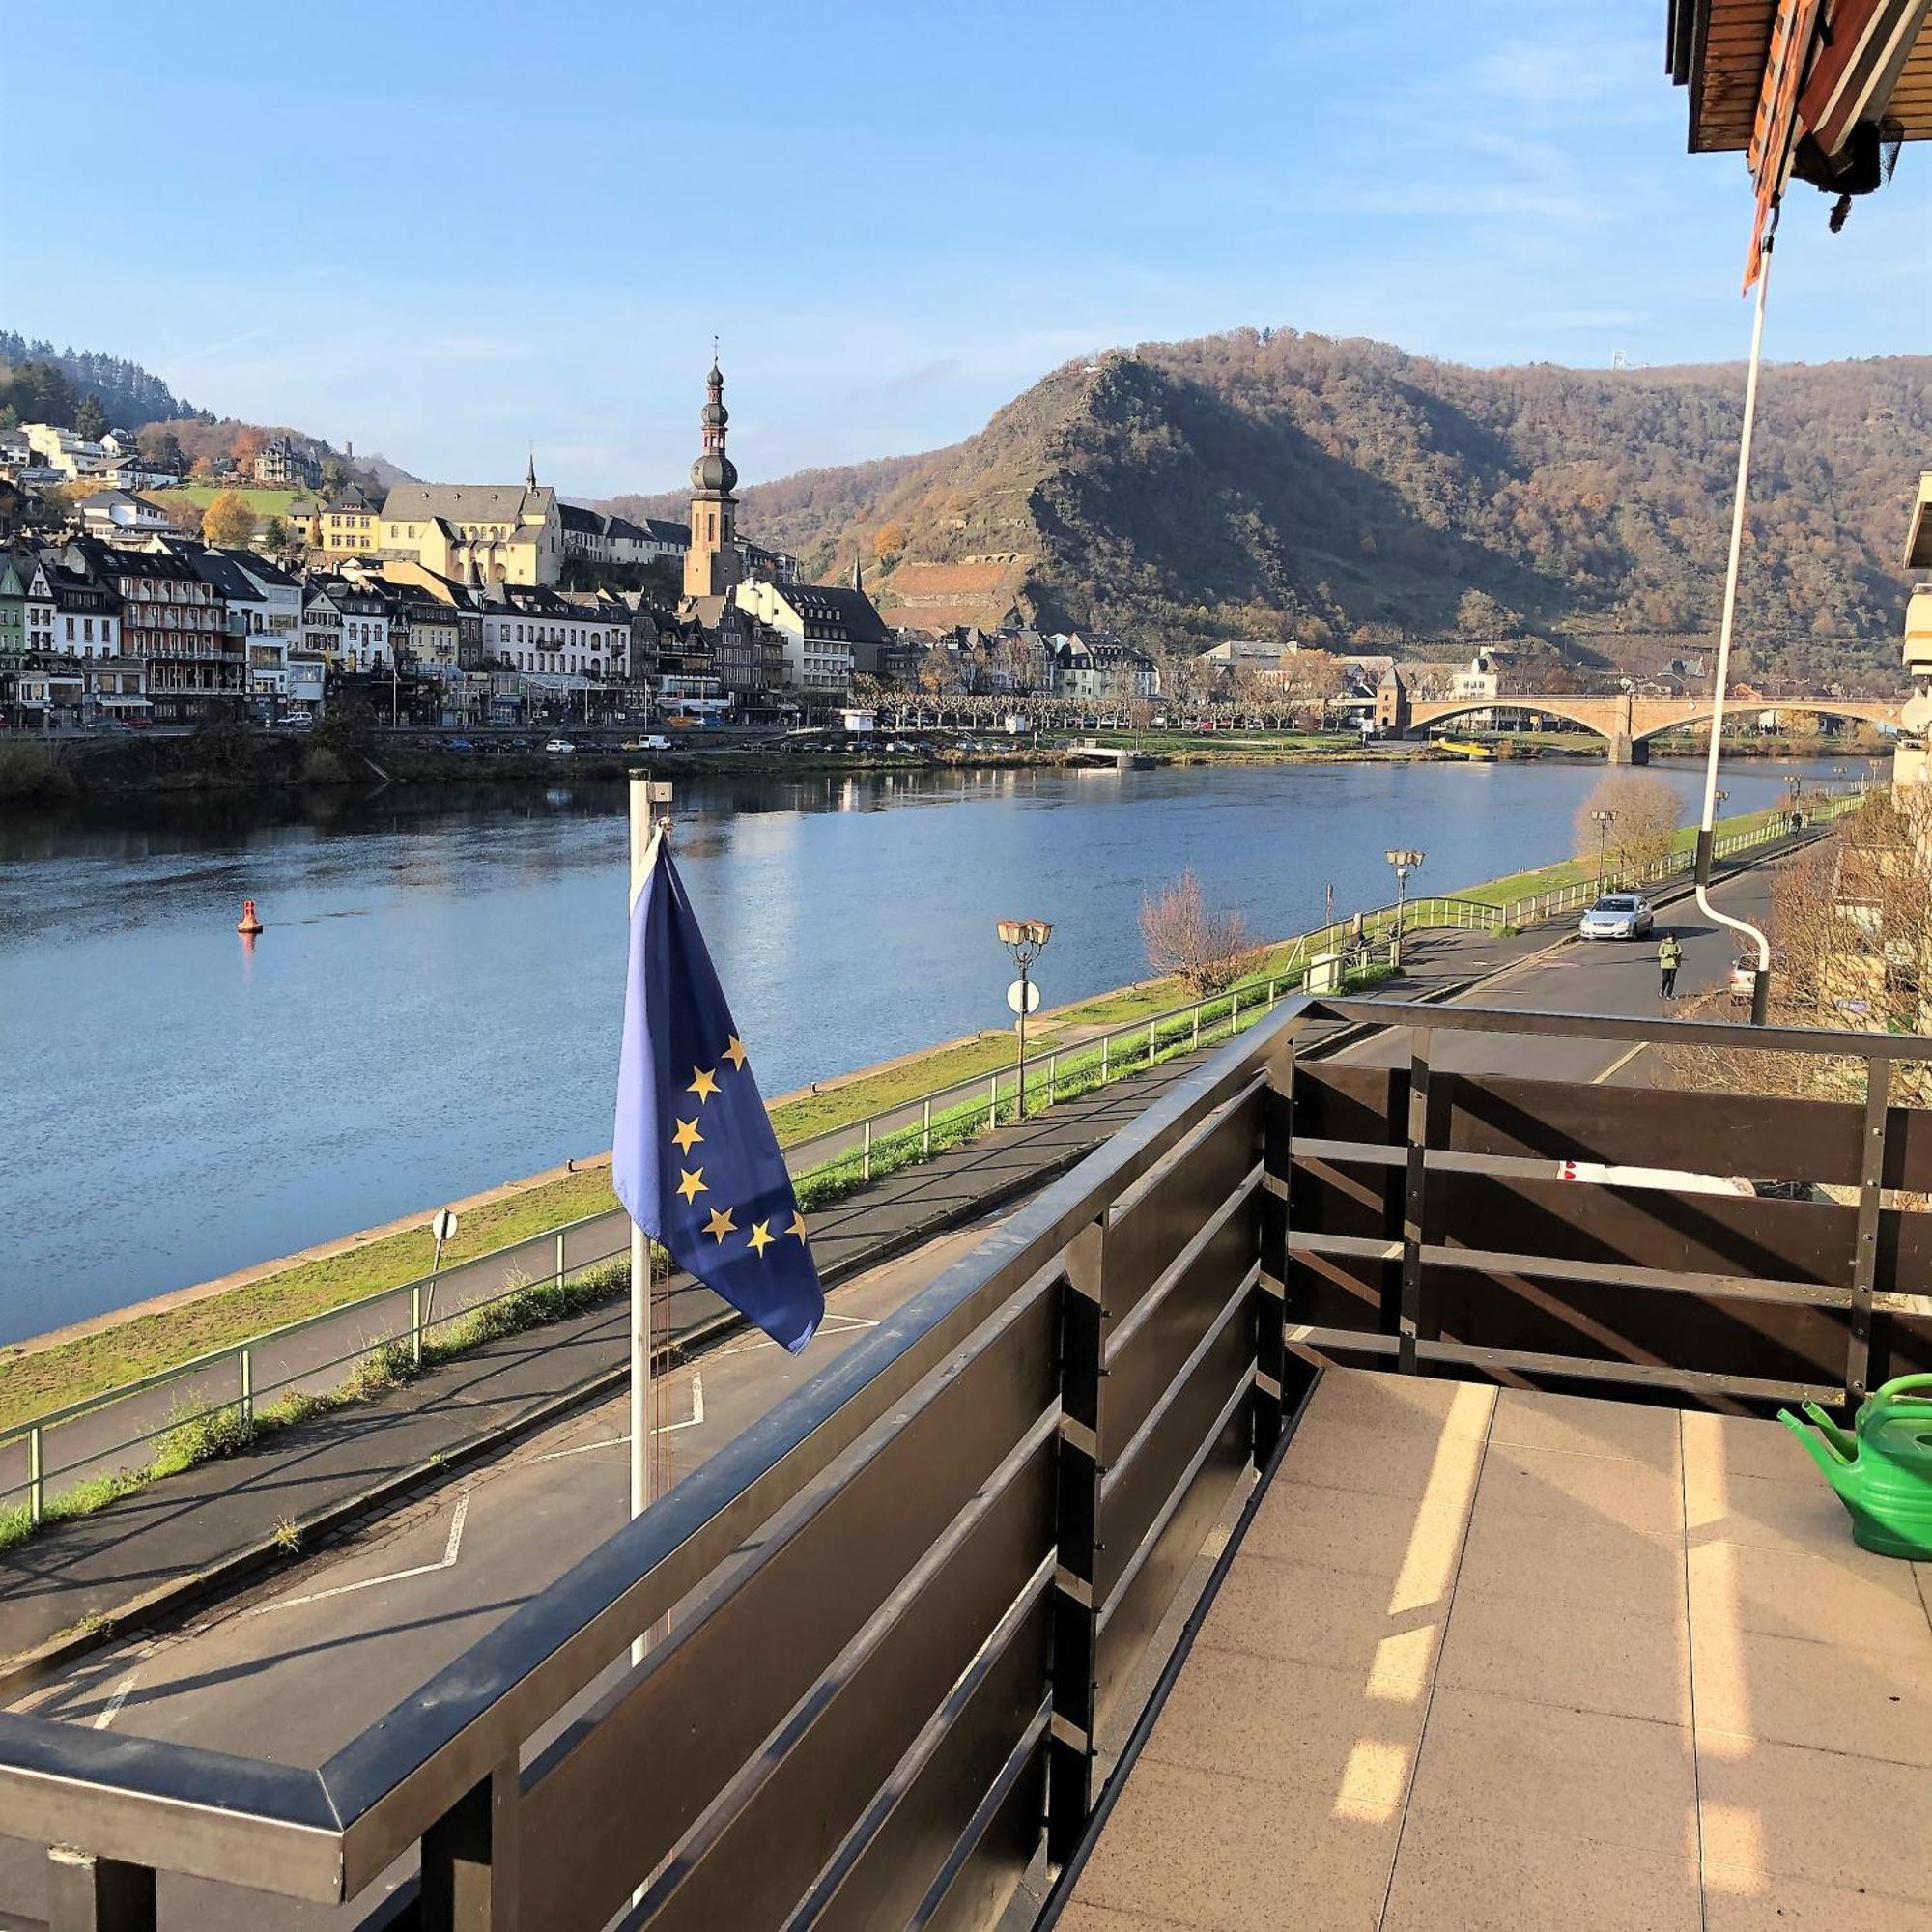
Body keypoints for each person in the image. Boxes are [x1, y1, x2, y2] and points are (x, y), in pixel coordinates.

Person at [1658, 933, 1684, 1000]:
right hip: (1665, 964)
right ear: (1667, 938)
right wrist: (1666, 955)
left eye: (1672, 937)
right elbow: (1660, 954)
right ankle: (1662, 990)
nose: (1671, 939)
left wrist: (1676, 953)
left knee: (1672, 980)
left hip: (1674, 964)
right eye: (1669, 937)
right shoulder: (1663, 944)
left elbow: (1680, 950)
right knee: (1666, 978)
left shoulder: (1676, 943)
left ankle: (1669, 995)